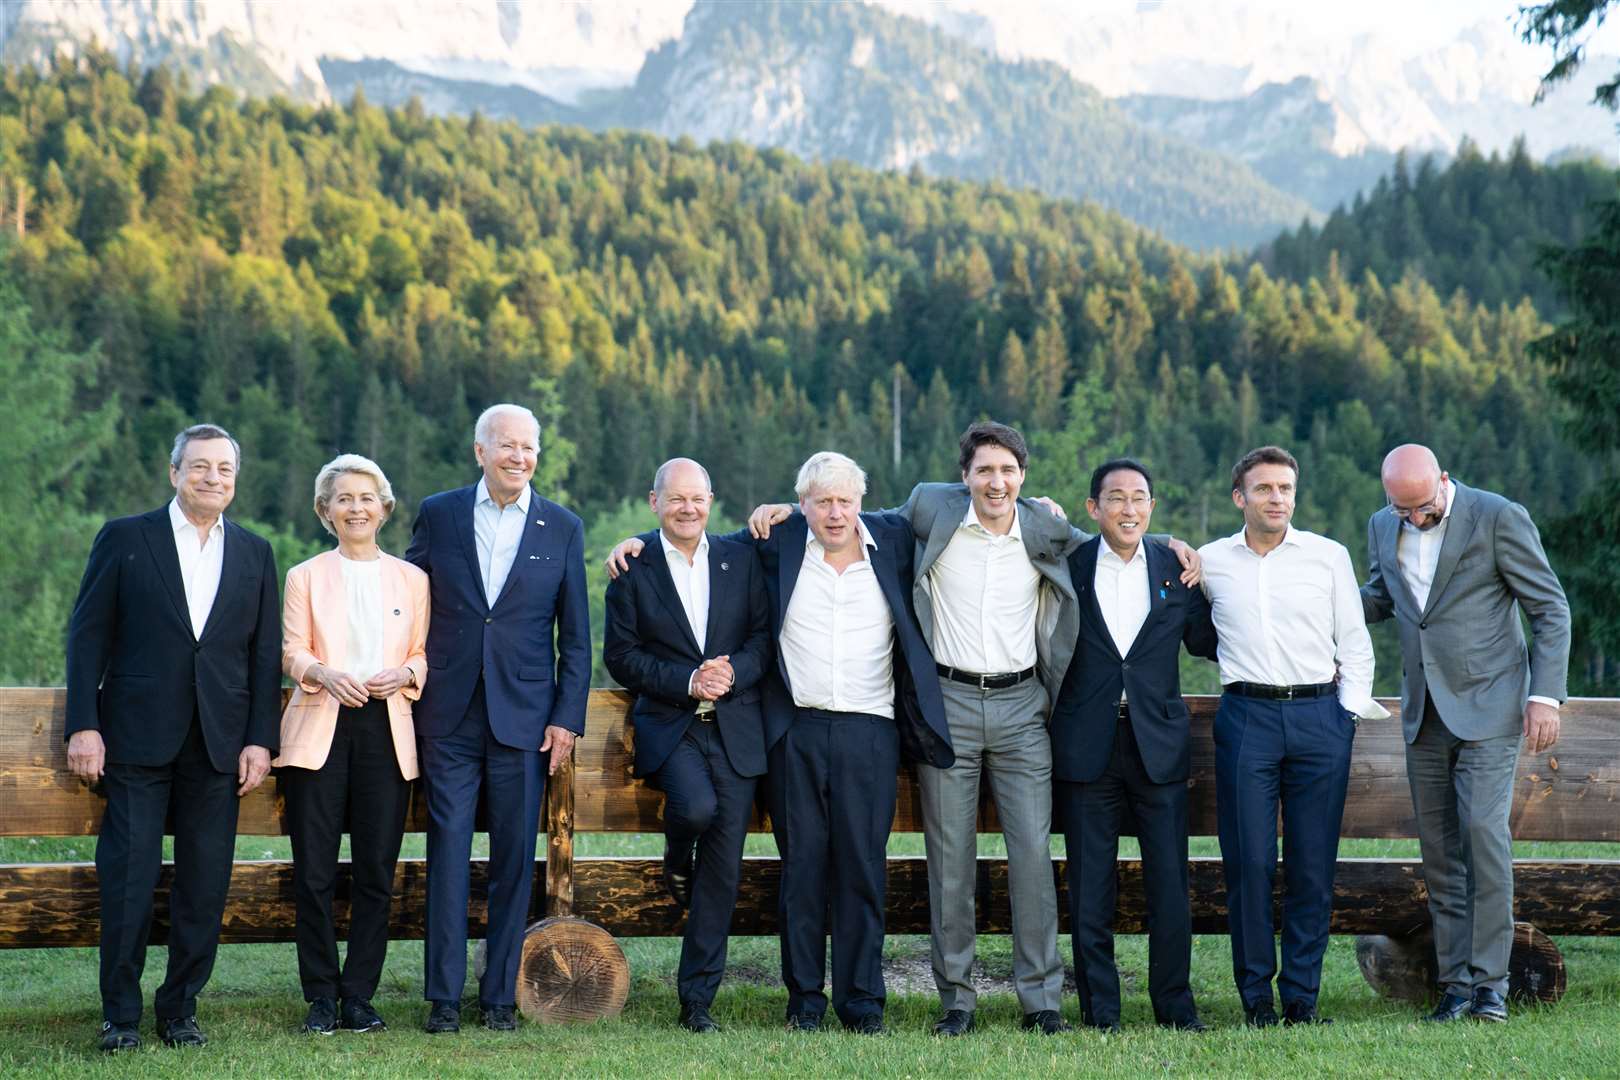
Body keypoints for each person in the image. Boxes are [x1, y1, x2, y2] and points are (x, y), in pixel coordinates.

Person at [746, 422, 1199, 1036]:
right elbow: (853, 514)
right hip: (948, 704)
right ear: (965, 477)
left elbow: (1120, 533)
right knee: (950, 857)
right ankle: (956, 999)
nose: (996, 481)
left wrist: (1173, 543)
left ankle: (1040, 1000)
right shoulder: (931, 509)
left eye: (1008, 470)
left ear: (1023, 477)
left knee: (1033, 855)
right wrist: (786, 512)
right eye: (984, 470)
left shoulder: (1044, 526)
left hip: (1022, 708)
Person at [607, 451, 953, 1034]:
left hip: (872, 729)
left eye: (844, 500)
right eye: (821, 501)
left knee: (863, 871)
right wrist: (632, 544)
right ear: (803, 505)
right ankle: (805, 1003)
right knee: (802, 872)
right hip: (796, 731)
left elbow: (969, 505)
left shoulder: (893, 540)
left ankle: (863, 1003)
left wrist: (1040, 509)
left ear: (861, 503)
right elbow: (700, 541)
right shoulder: (777, 542)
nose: (834, 512)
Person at [64, 423, 280, 1053]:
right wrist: (84, 724)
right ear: (174, 472)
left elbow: (264, 657)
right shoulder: (127, 537)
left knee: (204, 885)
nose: (213, 478)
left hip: (219, 745)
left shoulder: (255, 551)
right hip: (133, 740)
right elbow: (87, 638)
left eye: (225, 470)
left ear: (235, 481)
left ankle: (180, 1009)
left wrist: (259, 740)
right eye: (201, 466)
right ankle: (120, 1017)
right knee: (128, 881)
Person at [1360, 444, 1569, 1024]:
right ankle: (1453, 986)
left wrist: (1544, 696)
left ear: (1444, 481)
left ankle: (1490, 988)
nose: (1413, 520)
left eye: (1423, 508)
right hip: (1423, 711)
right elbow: (1380, 597)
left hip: (1492, 707)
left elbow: (1549, 608)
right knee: (1440, 854)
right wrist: (1313, 600)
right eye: (1401, 510)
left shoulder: (1499, 516)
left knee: (1483, 836)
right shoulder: (1383, 523)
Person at [405, 403, 591, 1034]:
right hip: (448, 715)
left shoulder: (562, 526)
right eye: (506, 446)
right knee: (448, 853)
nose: (519, 457)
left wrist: (567, 717)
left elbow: (578, 638)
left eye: (529, 447)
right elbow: (407, 600)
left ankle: (498, 999)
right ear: (479, 451)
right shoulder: (439, 513)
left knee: (514, 859)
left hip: (526, 721)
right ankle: (444, 999)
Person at [1197, 445, 1388, 1028]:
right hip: (1246, 717)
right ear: (1240, 497)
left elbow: (1354, 641)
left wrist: (1345, 715)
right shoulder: (1210, 560)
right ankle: (1256, 999)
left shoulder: (1327, 556)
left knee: (1311, 865)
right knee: (1249, 864)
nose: (1276, 498)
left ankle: (1301, 999)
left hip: (1319, 720)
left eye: (1285, 489)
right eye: (1264, 489)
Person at [602, 458, 773, 1034]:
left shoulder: (741, 557)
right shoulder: (632, 566)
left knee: (723, 869)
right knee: (696, 809)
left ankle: (697, 1001)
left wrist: (731, 674)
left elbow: (762, 637)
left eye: (697, 498)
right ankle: (676, 857)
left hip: (735, 726)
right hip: (672, 724)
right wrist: (687, 681)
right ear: (654, 502)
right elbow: (620, 656)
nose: (687, 508)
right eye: (675, 498)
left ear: (711, 499)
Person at [1050, 458, 1218, 1033]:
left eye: (1139, 498)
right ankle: (1101, 1011)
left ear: (1152, 507)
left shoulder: (1177, 568)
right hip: (1085, 746)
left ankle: (1175, 1006)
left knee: (1170, 885)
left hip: (1159, 745)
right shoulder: (1065, 567)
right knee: (1089, 887)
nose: (1128, 508)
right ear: (1093, 509)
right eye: (1115, 498)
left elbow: (1210, 641)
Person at [275, 454, 430, 1036]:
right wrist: (321, 672)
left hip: (386, 731)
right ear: (325, 511)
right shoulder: (304, 576)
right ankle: (320, 996)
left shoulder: (413, 580)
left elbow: (421, 653)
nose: (356, 508)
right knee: (312, 872)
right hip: (320, 728)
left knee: (375, 872)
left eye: (366, 498)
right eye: (343, 499)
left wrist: (407, 675)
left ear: (385, 508)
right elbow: (289, 651)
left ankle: (359, 995)